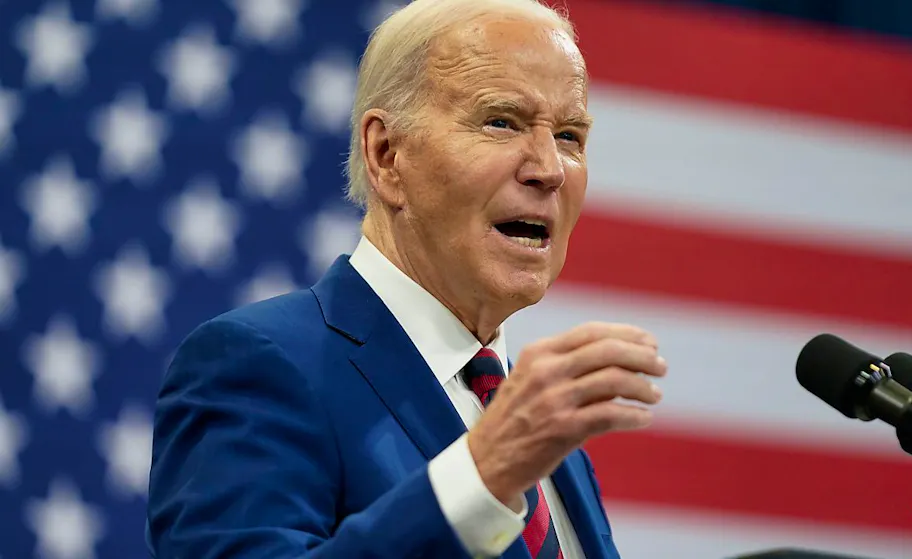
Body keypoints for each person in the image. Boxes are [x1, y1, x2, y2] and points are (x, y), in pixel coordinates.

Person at [145, 0, 668, 557]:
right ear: (387, 155)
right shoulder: (255, 365)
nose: (548, 168)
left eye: (569, 135)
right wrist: (481, 476)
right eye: (501, 121)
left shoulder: (540, 432)